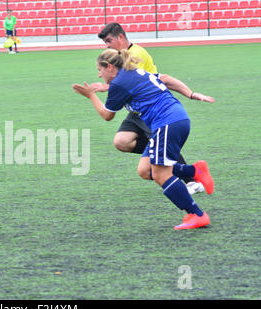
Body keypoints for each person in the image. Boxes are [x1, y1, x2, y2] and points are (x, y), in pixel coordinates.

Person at [72, 49, 215, 230]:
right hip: (175, 119)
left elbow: (107, 116)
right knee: (144, 170)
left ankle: (197, 214)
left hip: (167, 122)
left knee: (160, 174)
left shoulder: (119, 83)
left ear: (109, 67)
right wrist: (191, 94)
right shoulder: (133, 72)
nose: (99, 74)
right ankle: (195, 171)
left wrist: (91, 95)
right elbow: (165, 79)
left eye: (99, 69)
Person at [92, 23, 214, 195]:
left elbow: (135, 84)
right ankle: (161, 157)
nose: (107, 45)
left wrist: (191, 94)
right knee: (121, 141)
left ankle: (190, 180)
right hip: (137, 110)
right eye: (105, 42)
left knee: (158, 149)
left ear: (120, 37)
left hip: (151, 109)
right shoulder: (119, 58)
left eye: (109, 41)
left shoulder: (134, 54)